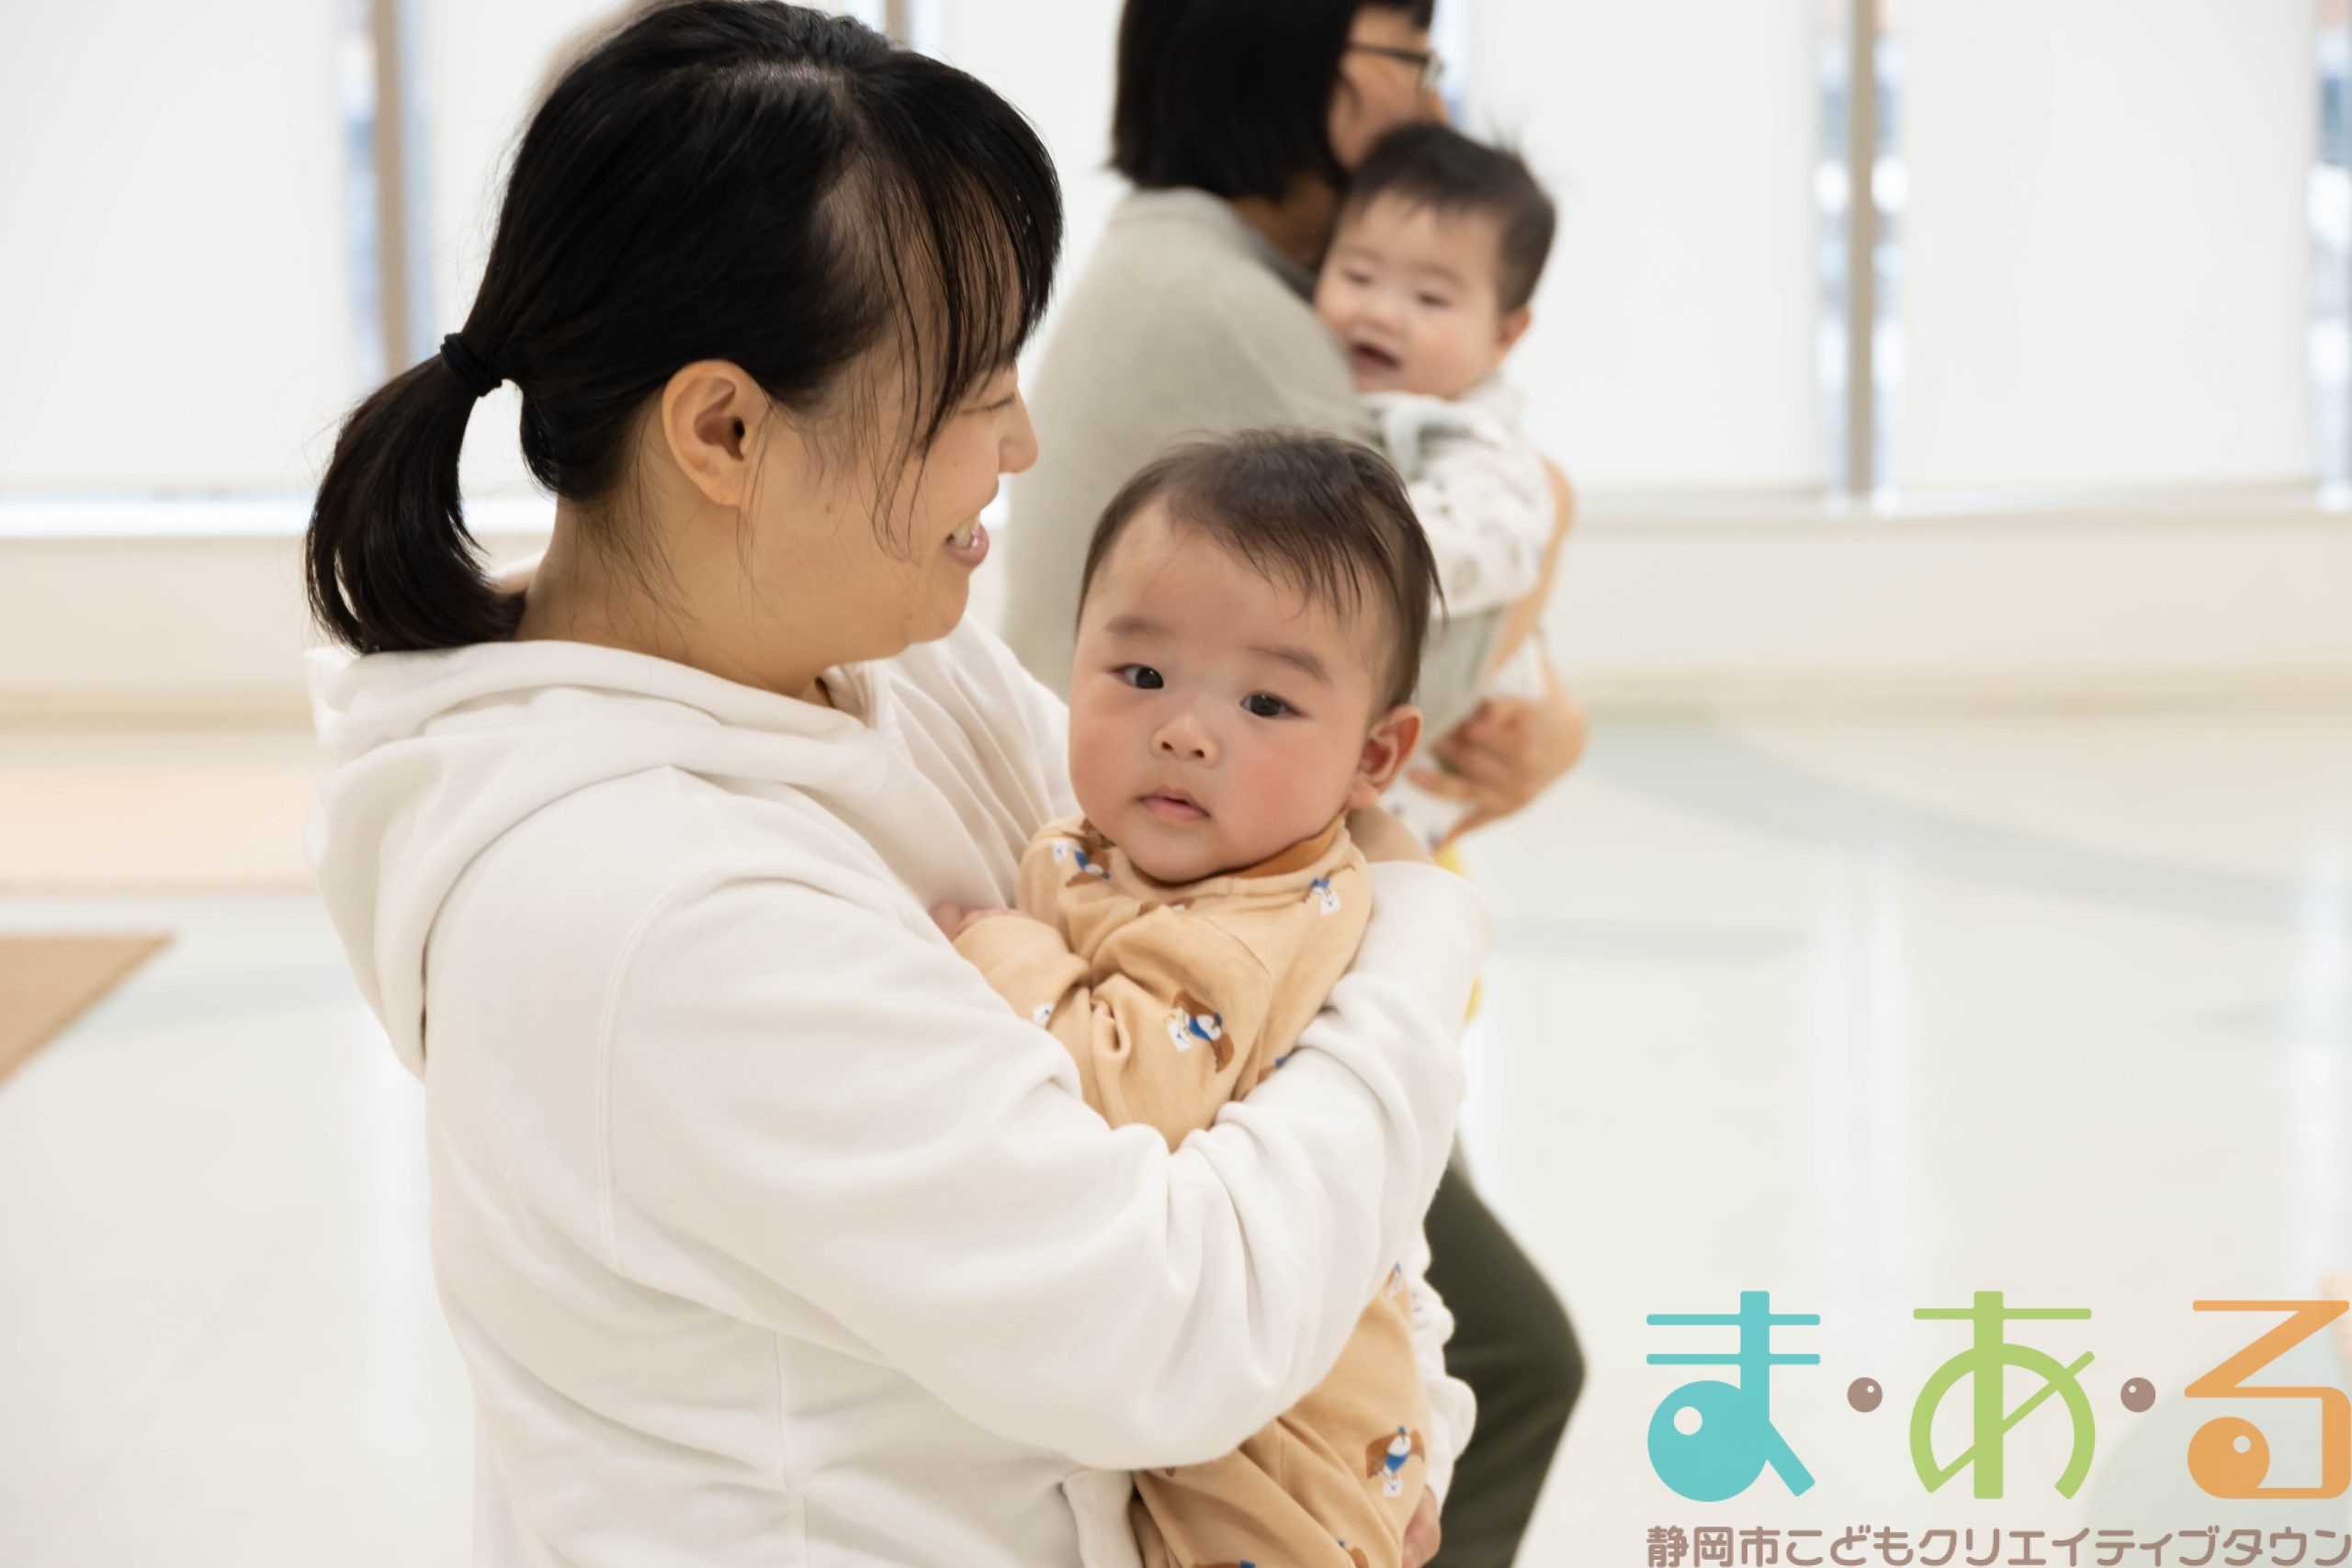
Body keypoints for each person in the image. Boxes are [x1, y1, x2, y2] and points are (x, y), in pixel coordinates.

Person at [300, 6, 1487, 1564]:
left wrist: (1405, 1422)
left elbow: (1244, 1008)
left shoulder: (885, 657)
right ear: (725, 427)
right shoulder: (649, 911)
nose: (1023, 439)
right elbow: (1175, 1319)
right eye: (973, 384)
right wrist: (1419, 930)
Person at [1001, 4, 1583, 1562]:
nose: (1427, 103)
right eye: (1411, 59)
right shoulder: (1236, 311)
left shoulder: (1214, 272)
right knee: (1510, 1355)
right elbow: (1408, 652)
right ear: (1297, 58)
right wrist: (1554, 516)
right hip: (1222, 912)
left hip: (1211, 877)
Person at [938, 433, 1468, 1568]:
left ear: (1375, 757)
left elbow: (1127, 1086)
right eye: (1140, 677)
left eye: (1267, 702)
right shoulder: (1143, 852)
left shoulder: (1257, 917)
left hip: (1280, 1466)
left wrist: (996, 948)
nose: (1184, 730)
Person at [1314, 123, 1564, 849]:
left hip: (1434, 765)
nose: (1380, 311)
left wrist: (1333, 543)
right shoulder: (1344, 387)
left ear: (1505, 336)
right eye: (1357, 276)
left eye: (1430, 298)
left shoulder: (1478, 436)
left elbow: (1498, 542)